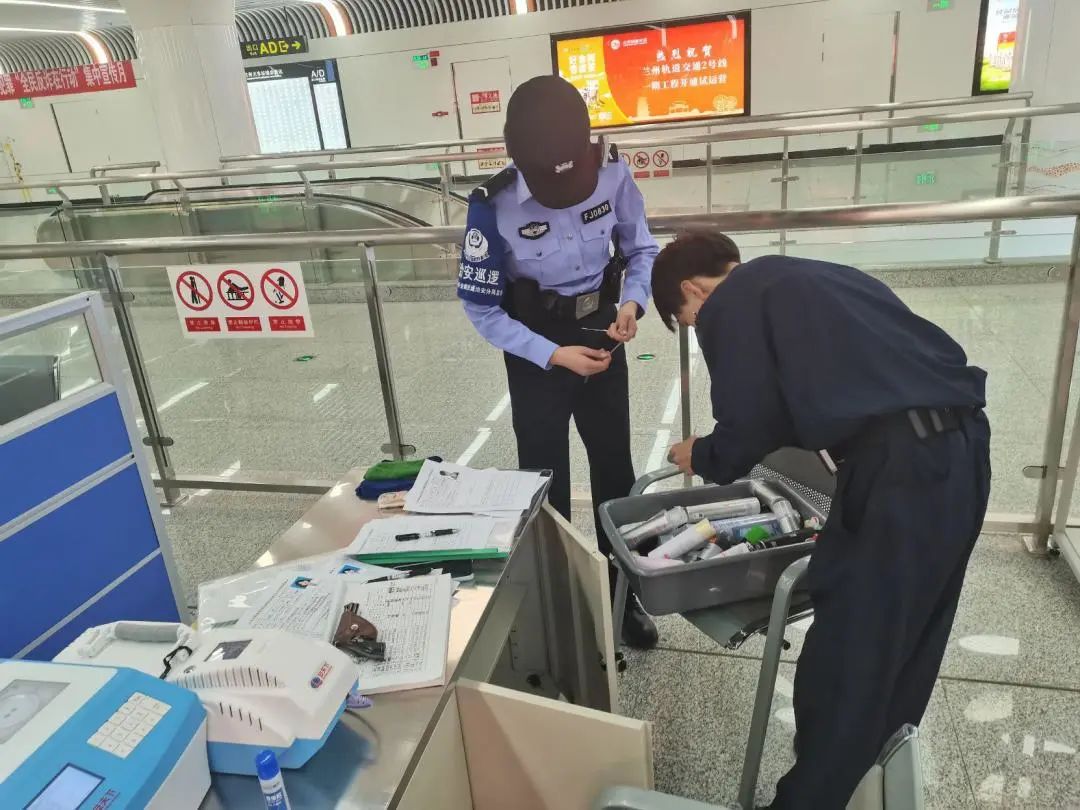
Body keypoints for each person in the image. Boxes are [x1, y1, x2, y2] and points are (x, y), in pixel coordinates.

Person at [652, 232, 991, 809]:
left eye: (688, 319)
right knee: (910, 635)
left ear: (693, 290)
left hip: (901, 472)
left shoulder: (731, 302)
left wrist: (702, 453)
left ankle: (811, 797)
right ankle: (868, 772)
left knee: (852, 650)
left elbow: (749, 422)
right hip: (962, 451)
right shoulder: (819, 275)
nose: (699, 327)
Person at [457, 75, 660, 649]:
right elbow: (480, 307)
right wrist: (552, 354)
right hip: (535, 345)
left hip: (602, 332)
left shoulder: (613, 172)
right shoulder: (491, 205)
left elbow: (641, 248)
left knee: (615, 470)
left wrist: (632, 302)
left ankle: (622, 595)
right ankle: (561, 598)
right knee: (545, 479)